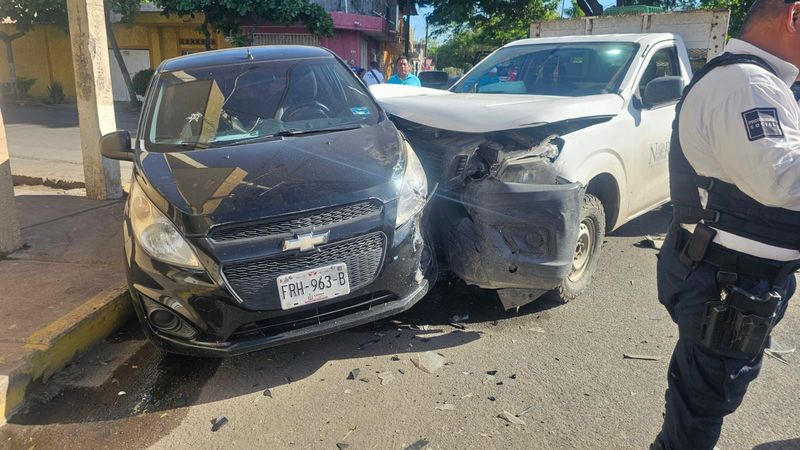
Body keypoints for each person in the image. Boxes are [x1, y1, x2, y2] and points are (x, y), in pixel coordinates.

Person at [652, 0, 800, 448]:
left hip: (736, 279)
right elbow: (780, 179)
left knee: (704, 397)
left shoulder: (759, 82)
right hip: (730, 282)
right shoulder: (745, 84)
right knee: (698, 412)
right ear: (795, 16)